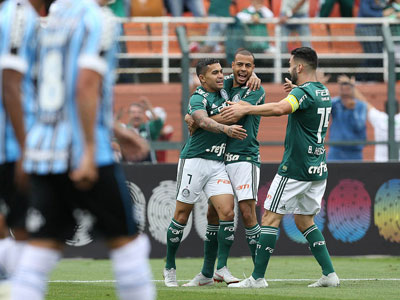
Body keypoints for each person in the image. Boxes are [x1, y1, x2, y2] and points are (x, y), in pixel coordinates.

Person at [10, 1, 155, 299]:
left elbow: (52, 88)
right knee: (129, 246)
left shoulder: (52, 17)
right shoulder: (98, 19)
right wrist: (88, 149)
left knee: (41, 250)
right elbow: (85, 85)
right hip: (87, 153)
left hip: (45, 153)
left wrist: (118, 131)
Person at [221, 47, 340, 288]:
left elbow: (279, 109)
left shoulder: (304, 93)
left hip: (296, 168)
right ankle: (330, 274)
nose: (288, 69)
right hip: (318, 168)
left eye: (289, 65)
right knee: (304, 220)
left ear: (299, 67)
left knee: (270, 217)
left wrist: (247, 108)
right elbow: (314, 112)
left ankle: (257, 278)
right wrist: (296, 93)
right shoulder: (322, 91)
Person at [163, 58, 247, 287]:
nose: (221, 76)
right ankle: (169, 266)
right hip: (194, 161)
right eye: (215, 73)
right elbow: (201, 120)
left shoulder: (226, 89)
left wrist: (255, 76)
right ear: (202, 78)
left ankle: (219, 269)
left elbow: (245, 75)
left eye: (221, 71)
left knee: (227, 213)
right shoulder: (197, 97)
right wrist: (225, 128)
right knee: (181, 215)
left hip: (217, 162)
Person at [184, 49, 265, 286]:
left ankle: (258, 275)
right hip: (220, 159)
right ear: (232, 65)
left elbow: (232, 116)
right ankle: (211, 272)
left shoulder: (256, 89)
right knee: (214, 214)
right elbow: (201, 97)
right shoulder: (224, 83)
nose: (243, 70)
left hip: (244, 157)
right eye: (239, 65)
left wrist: (198, 122)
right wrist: (195, 115)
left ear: (253, 68)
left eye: (248, 66)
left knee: (248, 214)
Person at [0, 0, 50, 281]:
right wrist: (23, 147)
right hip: (11, 143)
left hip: (14, 140)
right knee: (24, 228)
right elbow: (10, 82)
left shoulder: (23, 15)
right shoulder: (18, 15)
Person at [327, 76, 368, 161]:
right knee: (332, 173)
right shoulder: (335, 103)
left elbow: (359, 126)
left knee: (356, 174)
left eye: (348, 89)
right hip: (336, 150)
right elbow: (322, 105)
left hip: (354, 151)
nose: (345, 93)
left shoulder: (361, 106)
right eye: (342, 90)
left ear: (352, 90)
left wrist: (352, 110)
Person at [126, 97, 164, 163]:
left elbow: (159, 123)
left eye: (139, 112)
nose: (136, 115)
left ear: (143, 114)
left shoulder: (148, 128)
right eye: (133, 112)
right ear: (129, 114)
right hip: (129, 167)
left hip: (148, 167)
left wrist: (149, 107)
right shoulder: (124, 130)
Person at [355, 0, 386, 81]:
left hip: (377, 31)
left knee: (379, 54)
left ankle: (372, 79)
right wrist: (382, 14)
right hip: (364, 29)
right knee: (373, 55)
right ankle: (359, 78)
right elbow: (366, 12)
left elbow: (387, 9)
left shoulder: (383, 1)